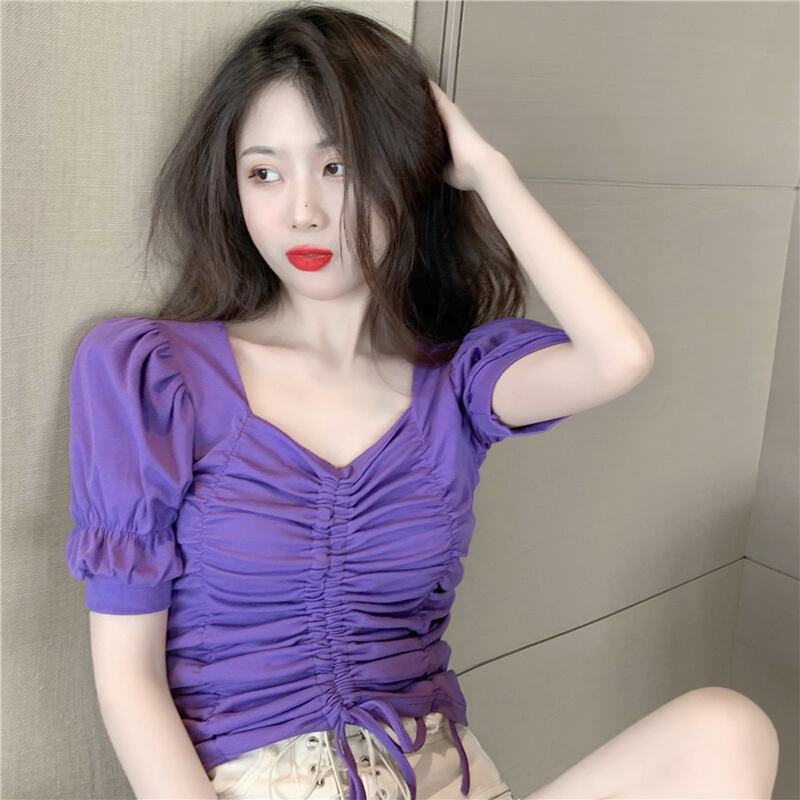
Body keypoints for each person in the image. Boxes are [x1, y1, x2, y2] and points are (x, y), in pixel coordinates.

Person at [66, 4, 778, 800]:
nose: (302, 211)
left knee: (726, 730)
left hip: (441, 775)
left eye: (338, 167)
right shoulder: (153, 374)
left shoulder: (458, 384)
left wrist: (487, 172)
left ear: (405, 169)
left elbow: (619, 357)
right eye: (264, 173)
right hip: (258, 782)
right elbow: (128, 681)